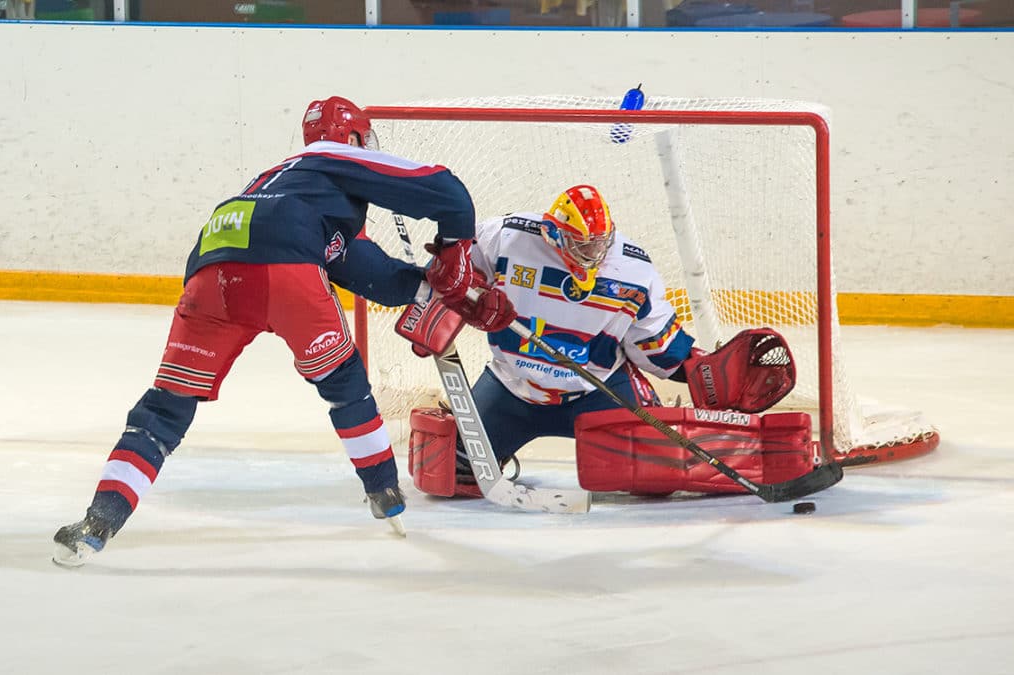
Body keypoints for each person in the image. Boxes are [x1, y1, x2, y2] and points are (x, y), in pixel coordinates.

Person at [52, 95, 515, 566]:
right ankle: (384, 492)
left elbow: (364, 270)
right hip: (285, 272)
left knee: (164, 410)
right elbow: (447, 191)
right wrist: (456, 251)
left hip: (210, 276)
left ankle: (98, 522)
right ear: (352, 138)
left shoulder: (279, 184)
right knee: (344, 385)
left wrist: (432, 291)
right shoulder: (330, 157)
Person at [405, 184, 811, 498]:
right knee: (447, 474)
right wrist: (450, 299)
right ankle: (498, 442)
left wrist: (697, 369)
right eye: (583, 244)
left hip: (596, 391)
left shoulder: (632, 269)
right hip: (512, 387)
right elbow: (451, 270)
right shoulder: (505, 238)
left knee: (659, 477)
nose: (594, 252)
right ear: (554, 233)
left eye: (600, 242)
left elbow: (655, 343)